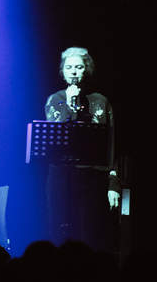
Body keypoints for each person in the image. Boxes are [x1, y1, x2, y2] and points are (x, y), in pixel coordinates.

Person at [44, 47, 119, 251]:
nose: (74, 71)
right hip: (61, 177)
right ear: (63, 71)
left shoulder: (100, 101)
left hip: (92, 177)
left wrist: (113, 183)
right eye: (69, 67)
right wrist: (70, 105)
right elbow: (56, 140)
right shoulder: (55, 100)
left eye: (79, 67)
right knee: (60, 232)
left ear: (87, 69)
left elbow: (111, 143)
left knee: (90, 232)